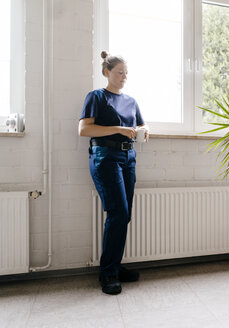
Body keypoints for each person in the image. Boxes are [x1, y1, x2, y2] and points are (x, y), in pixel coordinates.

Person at [79, 51, 149, 295]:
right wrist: (118, 128)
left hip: (128, 158)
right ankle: (108, 273)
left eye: (126, 73)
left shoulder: (131, 101)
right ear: (107, 72)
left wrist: (144, 128)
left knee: (124, 214)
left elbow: (139, 124)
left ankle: (115, 267)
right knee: (118, 212)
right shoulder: (96, 96)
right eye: (120, 72)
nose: (124, 77)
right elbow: (84, 130)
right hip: (105, 157)